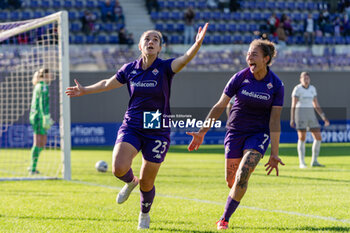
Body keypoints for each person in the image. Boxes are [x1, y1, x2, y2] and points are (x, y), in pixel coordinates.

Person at [65, 24, 208, 230]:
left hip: (157, 128)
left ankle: (144, 214)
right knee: (118, 168)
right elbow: (107, 83)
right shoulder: (129, 69)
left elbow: (185, 58)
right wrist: (84, 90)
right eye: (147, 39)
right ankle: (131, 181)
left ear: (160, 48)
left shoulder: (166, 68)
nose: (151, 42)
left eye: (155, 40)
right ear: (140, 45)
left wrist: (197, 44)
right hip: (132, 124)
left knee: (148, 182)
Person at [186, 39, 285, 230]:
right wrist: (202, 131)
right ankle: (235, 196)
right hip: (235, 132)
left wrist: (274, 153)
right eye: (248, 53)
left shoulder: (276, 85)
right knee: (231, 181)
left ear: (266, 59)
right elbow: (220, 105)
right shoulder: (239, 77)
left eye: (254, 54)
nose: (249, 57)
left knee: (243, 174)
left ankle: (224, 219)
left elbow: (274, 120)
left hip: (258, 134)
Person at [290, 72, 330, 168]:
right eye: (304, 78)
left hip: (311, 115)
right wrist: (292, 118)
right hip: (300, 114)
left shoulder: (312, 89)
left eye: (307, 78)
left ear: (309, 79)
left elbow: (316, 104)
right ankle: (302, 162)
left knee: (318, 137)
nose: (306, 80)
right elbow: (293, 105)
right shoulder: (297, 89)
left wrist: (323, 117)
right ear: (301, 79)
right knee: (302, 137)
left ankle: (314, 161)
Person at [28, 68, 53, 175]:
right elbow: (43, 103)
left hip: (36, 116)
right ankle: (32, 168)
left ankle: (33, 167)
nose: (51, 76)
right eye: (50, 74)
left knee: (42, 143)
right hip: (39, 117)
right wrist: (46, 117)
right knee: (38, 142)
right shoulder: (43, 86)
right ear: (46, 75)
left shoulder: (38, 85)